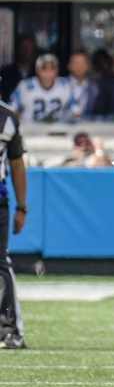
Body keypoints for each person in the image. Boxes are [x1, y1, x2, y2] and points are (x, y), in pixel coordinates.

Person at [0, 100, 28, 349]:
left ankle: (10, 330)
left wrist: (21, 205)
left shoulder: (7, 117)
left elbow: (17, 163)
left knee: (0, 262)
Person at [10, 54, 72, 123]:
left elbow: (74, 111)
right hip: (29, 131)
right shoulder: (25, 86)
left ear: (57, 70)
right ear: (37, 70)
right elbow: (12, 108)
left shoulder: (65, 85)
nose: (48, 73)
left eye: (52, 68)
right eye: (44, 68)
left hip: (57, 131)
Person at [0, 35, 37, 102]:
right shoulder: (6, 72)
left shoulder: (39, 73)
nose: (27, 52)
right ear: (18, 49)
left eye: (30, 48)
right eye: (24, 48)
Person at [67, 51, 99, 120]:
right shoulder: (61, 85)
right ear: (69, 66)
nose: (79, 66)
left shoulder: (95, 88)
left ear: (88, 66)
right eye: (75, 63)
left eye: (82, 63)